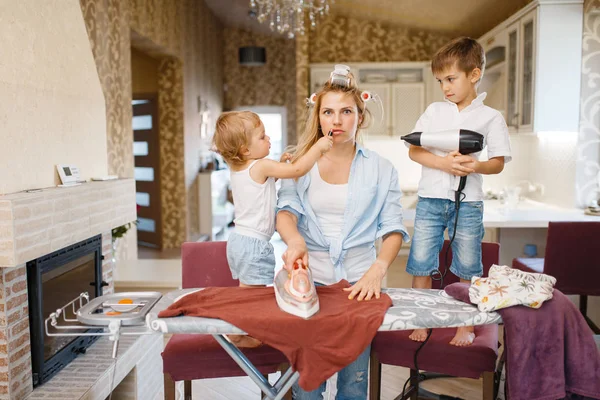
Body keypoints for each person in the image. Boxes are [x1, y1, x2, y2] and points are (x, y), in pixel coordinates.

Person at [276, 65, 410, 400]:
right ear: (319, 117)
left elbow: (393, 228)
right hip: (309, 283)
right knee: (307, 386)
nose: (336, 120)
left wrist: (378, 270)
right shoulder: (298, 163)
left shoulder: (381, 169)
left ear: (359, 117)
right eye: (329, 112)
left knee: (353, 384)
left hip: (359, 286)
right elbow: (285, 212)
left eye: (346, 112)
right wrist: (295, 240)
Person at [405, 37, 512, 346]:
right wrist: (443, 164)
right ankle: (420, 318)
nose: (445, 87)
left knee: (467, 264)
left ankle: (465, 324)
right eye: (441, 81)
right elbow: (414, 151)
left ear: (474, 75)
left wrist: (472, 167)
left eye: (451, 79)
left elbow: (497, 163)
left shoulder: (491, 117)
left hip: (469, 203)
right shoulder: (434, 111)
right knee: (422, 261)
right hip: (430, 200)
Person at [212, 110, 332, 347]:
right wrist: (318, 148)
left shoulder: (241, 169)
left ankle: (237, 330)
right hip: (254, 244)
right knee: (253, 295)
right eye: (262, 137)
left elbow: (264, 186)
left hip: (239, 241)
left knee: (246, 292)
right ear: (246, 150)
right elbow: (297, 170)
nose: (268, 139)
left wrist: (279, 166)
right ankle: (242, 334)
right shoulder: (262, 166)